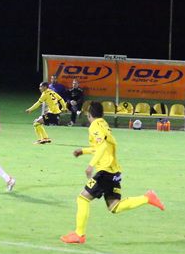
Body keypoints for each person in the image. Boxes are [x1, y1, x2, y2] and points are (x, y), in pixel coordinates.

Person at [60, 101, 164, 244]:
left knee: (82, 199)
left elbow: (102, 146)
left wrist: (90, 165)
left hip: (105, 171)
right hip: (114, 171)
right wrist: (83, 151)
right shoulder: (104, 124)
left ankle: (79, 234)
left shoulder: (94, 126)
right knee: (114, 206)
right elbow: (101, 147)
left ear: (89, 115)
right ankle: (147, 197)